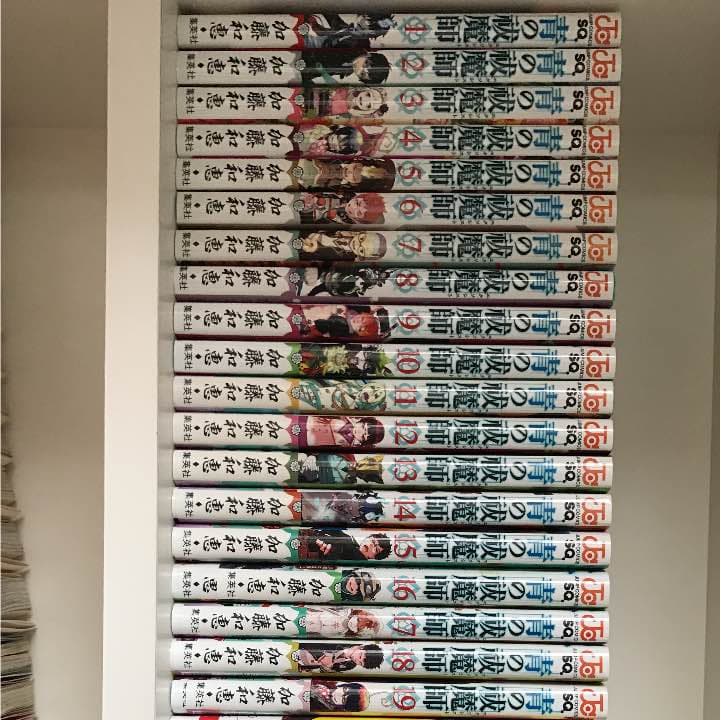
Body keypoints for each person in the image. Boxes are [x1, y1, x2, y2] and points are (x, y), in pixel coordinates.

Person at [295, 304, 391, 339]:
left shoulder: (342, 325)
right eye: (361, 318)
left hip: (305, 322)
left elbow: (324, 325)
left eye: (361, 325)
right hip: (303, 314)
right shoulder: (350, 316)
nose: (358, 320)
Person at [299, 527, 392, 562]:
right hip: (303, 540)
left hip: (304, 551)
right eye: (373, 541)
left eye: (376, 549)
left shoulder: (357, 561)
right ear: (367, 537)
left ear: (374, 557)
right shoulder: (350, 540)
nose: (371, 545)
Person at [301, 49, 391, 85]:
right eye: (366, 63)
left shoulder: (346, 69)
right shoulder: (350, 48)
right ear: (368, 54)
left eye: (362, 74)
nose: (359, 68)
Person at [297, 230, 388, 261]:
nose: (356, 244)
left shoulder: (345, 259)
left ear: (362, 256)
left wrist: (314, 250)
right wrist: (313, 235)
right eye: (361, 239)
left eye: (361, 250)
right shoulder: (341, 229)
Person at [302, 490, 384, 524]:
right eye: (353, 501)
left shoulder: (337, 519)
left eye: (352, 511)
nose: (348, 508)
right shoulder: (340, 495)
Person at [303, 415, 386, 448]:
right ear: (362, 421)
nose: (359, 432)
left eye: (363, 436)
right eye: (362, 427)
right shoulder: (345, 418)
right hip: (307, 421)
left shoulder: (348, 445)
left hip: (307, 440)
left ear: (363, 441)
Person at [294, 642, 384, 672]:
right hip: (301, 648)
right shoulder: (349, 642)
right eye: (360, 655)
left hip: (304, 665)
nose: (356, 660)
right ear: (361, 647)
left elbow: (329, 670)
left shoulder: (350, 665)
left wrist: (328, 667)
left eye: (360, 663)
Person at [304, 606, 382, 637]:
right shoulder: (345, 611)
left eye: (360, 627)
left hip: (310, 630)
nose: (355, 624)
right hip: (309, 614)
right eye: (358, 620)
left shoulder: (344, 633)